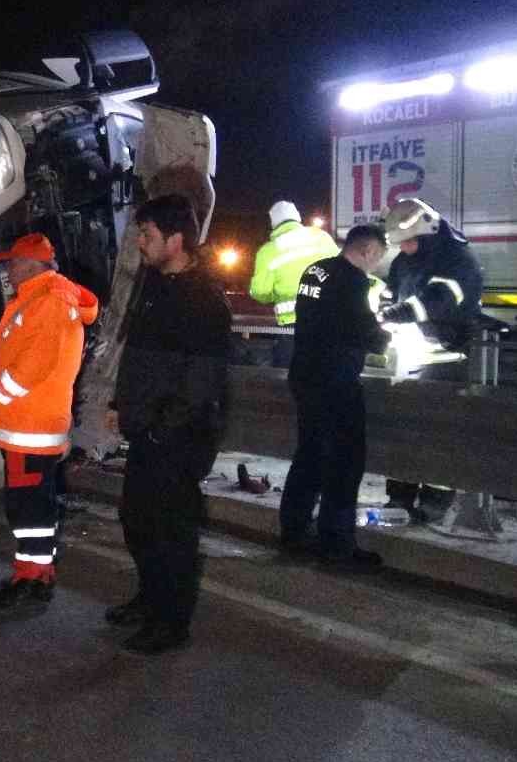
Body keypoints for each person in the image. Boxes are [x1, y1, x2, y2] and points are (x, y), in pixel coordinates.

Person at [105, 194, 231, 654]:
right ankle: (148, 599)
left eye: (148, 235)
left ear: (176, 240)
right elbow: (137, 356)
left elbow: (201, 381)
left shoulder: (203, 300)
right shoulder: (155, 286)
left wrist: (163, 426)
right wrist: (121, 402)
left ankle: (170, 622)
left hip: (177, 437)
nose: (139, 242)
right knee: (137, 520)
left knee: (171, 531)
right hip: (147, 431)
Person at [0, 234, 98, 611]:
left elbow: (37, 360)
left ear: (31, 264)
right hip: (26, 425)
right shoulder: (41, 297)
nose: (7, 270)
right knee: (31, 506)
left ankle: (32, 578)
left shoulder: (48, 301)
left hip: (29, 426)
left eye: (12, 263)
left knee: (29, 508)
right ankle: (33, 573)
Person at [279, 225, 390, 569]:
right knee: (345, 463)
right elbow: (363, 329)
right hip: (336, 382)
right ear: (369, 251)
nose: (375, 266)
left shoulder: (315, 270)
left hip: (305, 375)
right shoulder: (353, 280)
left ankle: (294, 531)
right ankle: (337, 543)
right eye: (378, 258)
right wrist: (386, 339)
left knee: (309, 456)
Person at [377, 198, 484, 522]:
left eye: (408, 242)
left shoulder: (458, 259)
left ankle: (436, 499)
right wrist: (379, 305)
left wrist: (396, 313)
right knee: (403, 430)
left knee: (439, 433)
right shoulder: (408, 258)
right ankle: (400, 496)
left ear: (426, 232)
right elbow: (391, 289)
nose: (404, 249)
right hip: (410, 356)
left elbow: (439, 301)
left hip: (447, 357)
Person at [249, 200, 338, 367]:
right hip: (329, 320)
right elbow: (344, 271)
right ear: (297, 218)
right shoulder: (322, 237)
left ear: (273, 223)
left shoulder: (268, 251)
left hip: (292, 327)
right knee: (328, 375)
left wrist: (275, 295)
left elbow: (260, 291)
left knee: (289, 379)